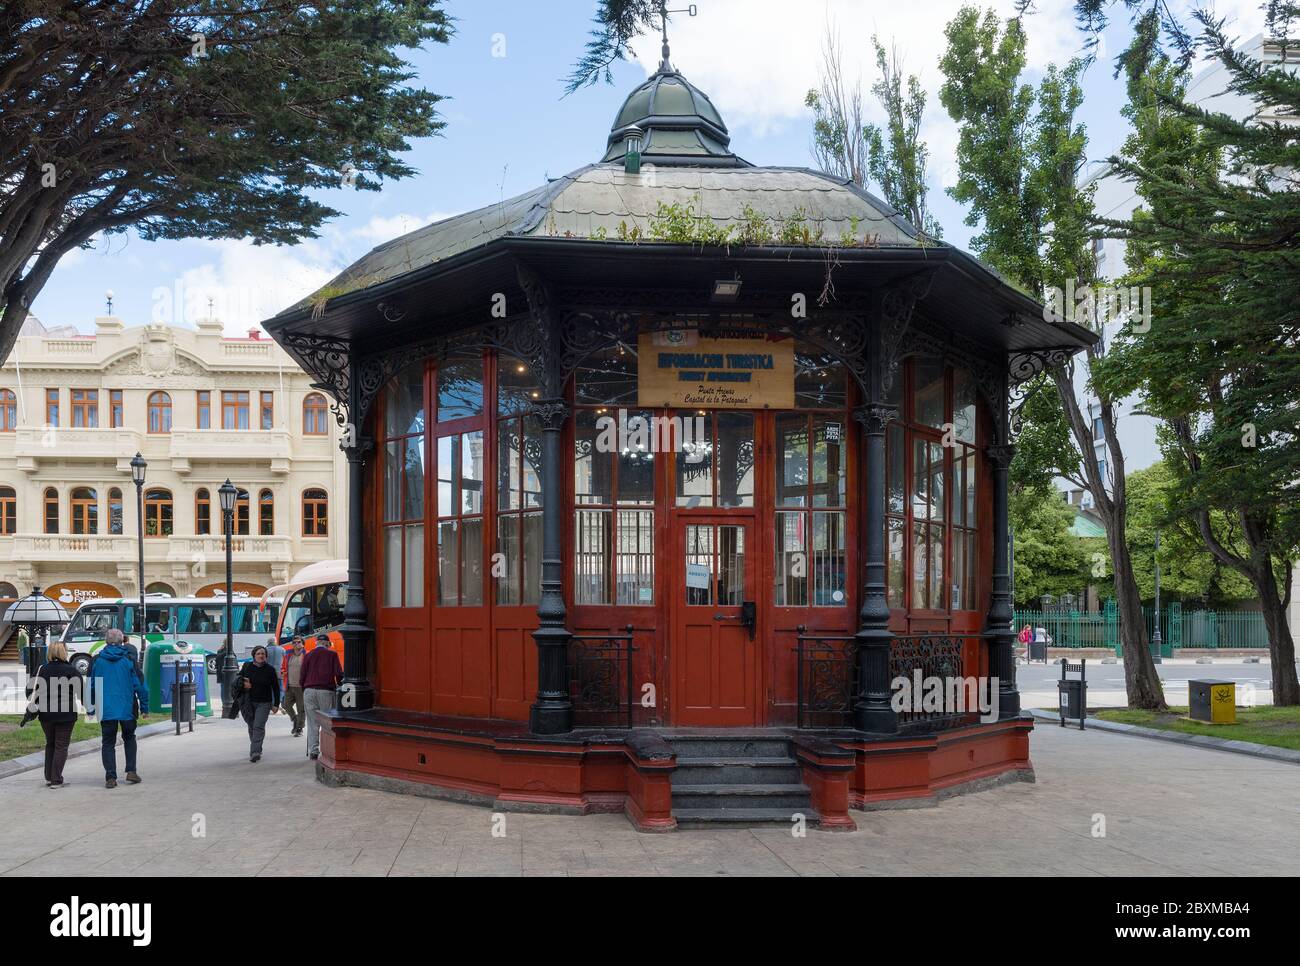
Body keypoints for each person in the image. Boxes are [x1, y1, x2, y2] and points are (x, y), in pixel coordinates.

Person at [87, 627, 148, 789]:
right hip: (127, 708)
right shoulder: (129, 660)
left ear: (106, 641)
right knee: (129, 738)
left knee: (108, 743)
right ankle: (131, 771)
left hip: (106, 709)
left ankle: (110, 777)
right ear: (122, 641)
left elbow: (92, 686)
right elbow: (140, 686)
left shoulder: (98, 660)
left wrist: (90, 707)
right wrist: (145, 707)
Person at [25, 640, 83, 788]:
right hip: (66, 714)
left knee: (50, 744)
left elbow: (29, 691)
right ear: (64, 652)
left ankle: (49, 777)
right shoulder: (72, 671)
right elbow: (80, 693)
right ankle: (56, 780)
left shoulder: (41, 669)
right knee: (61, 746)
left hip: (46, 713)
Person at [300, 632, 342, 760]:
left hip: (309, 690)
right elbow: (339, 674)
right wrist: (340, 686)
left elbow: (302, 675)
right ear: (328, 644)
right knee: (327, 723)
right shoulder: (332, 654)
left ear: (316, 643)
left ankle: (313, 750)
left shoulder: (308, 655)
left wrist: (305, 689)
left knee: (312, 722)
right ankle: (327, 750)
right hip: (326, 691)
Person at [236, 645, 281, 763]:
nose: (261, 656)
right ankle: (257, 747)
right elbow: (237, 680)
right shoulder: (247, 667)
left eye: (263, 654)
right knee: (252, 726)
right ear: (254, 656)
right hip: (248, 702)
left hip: (264, 703)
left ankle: (255, 751)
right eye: (259, 654)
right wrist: (243, 684)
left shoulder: (270, 669)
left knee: (258, 726)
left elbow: (276, 688)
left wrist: (276, 703)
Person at [280, 635, 307, 737]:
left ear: (303, 644)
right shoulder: (288, 655)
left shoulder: (307, 655)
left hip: (301, 686)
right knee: (285, 705)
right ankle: (295, 720)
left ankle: (299, 728)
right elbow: (283, 667)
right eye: (294, 642)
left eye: (299, 642)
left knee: (301, 709)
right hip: (289, 685)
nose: (296, 644)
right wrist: (283, 672)